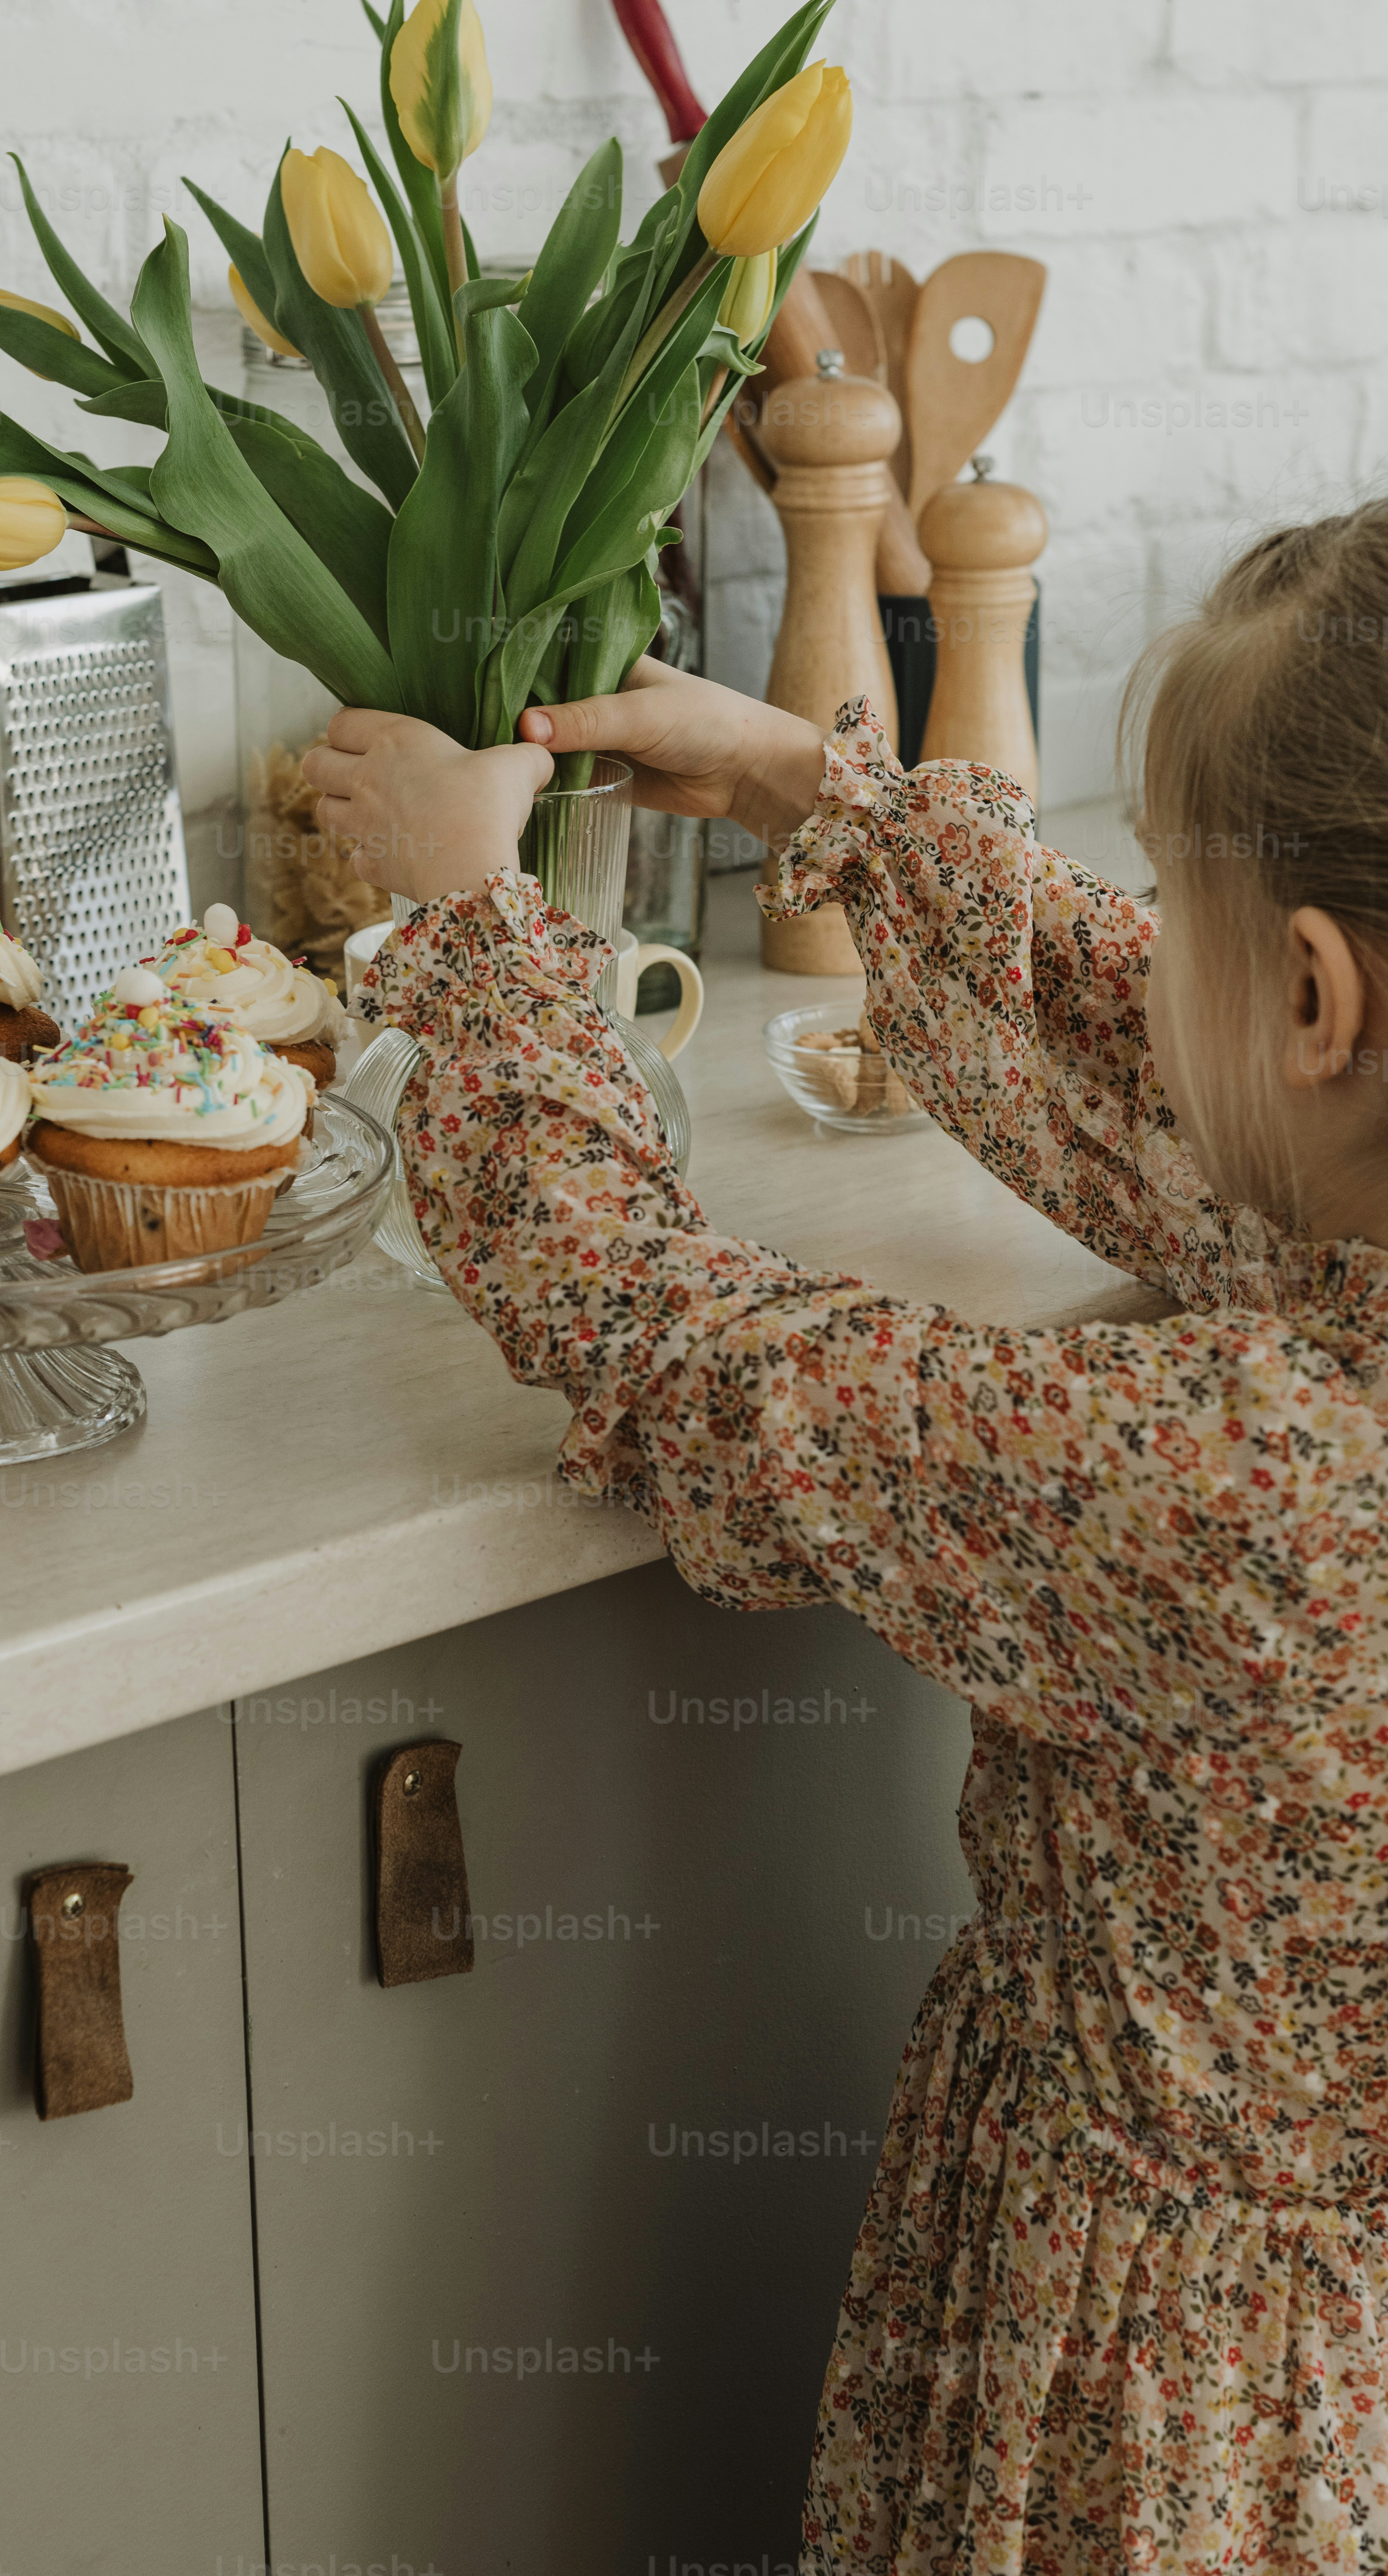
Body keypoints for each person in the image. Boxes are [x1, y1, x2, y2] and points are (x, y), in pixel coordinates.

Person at [302, 505, 1388, 2576]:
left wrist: (468, 920)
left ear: (1320, 992)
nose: (1148, 953)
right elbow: (1203, 1108)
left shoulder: (1258, 1480)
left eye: (1176, 909)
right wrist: (841, 804)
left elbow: (650, 1327)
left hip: (1168, 2409)